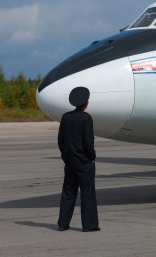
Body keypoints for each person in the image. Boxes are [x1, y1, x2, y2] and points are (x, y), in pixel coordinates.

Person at [57, 86, 100, 232]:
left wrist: (66, 156)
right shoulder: (86, 118)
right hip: (84, 163)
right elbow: (88, 142)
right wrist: (91, 157)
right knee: (87, 194)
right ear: (86, 103)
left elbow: (61, 141)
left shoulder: (65, 117)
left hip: (70, 162)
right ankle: (89, 225)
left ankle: (63, 223)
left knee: (68, 192)